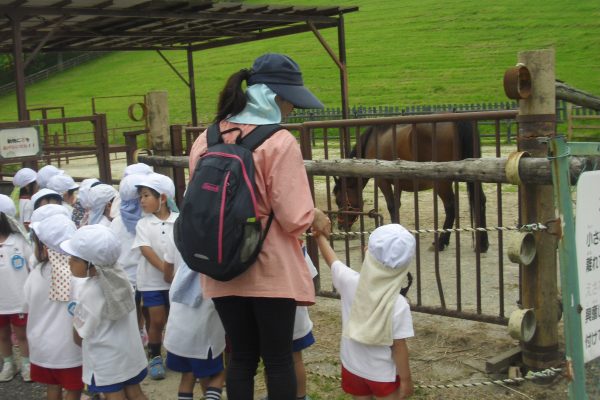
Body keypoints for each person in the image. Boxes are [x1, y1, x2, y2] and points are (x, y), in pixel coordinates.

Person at [187, 53, 326, 399]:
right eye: (290, 100)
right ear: (275, 97)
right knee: (278, 359)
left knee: (241, 357)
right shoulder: (278, 141)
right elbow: (295, 218)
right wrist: (317, 216)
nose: (291, 108)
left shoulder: (207, 138)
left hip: (221, 264)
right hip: (270, 271)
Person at [312, 215, 416, 400]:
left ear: (367, 251)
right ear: (405, 265)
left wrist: (320, 236)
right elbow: (399, 346)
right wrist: (406, 380)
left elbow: (332, 261)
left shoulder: (351, 282)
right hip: (382, 372)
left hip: (352, 366)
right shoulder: (398, 304)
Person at [61, 225, 148, 400]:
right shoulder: (120, 277)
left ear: (92, 264)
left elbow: (80, 333)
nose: (69, 261)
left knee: (113, 395)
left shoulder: (89, 291)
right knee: (135, 392)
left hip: (106, 359)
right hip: (130, 353)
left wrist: (77, 334)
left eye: (75, 258)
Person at [24, 208, 84, 399]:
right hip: (71, 349)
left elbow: (26, 304)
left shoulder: (36, 274)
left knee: (52, 388)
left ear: (43, 246)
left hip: (42, 345)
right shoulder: (80, 274)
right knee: (73, 390)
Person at [132, 172, 179, 380]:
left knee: (174, 319)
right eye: (140, 196)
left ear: (162, 198)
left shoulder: (179, 221)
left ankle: (177, 354)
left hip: (175, 281)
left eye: (146, 196)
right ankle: (154, 356)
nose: (141, 201)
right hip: (151, 282)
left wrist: (173, 274)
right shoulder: (143, 224)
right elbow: (145, 250)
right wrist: (165, 270)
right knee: (157, 319)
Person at [163, 247, 226, 400]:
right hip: (203, 342)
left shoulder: (183, 270)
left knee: (187, 376)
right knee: (219, 374)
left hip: (178, 340)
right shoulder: (214, 274)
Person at [110, 173, 148, 346]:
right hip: (141, 275)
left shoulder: (117, 222)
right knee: (142, 308)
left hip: (128, 275)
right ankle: (141, 333)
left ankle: (138, 334)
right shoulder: (147, 220)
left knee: (136, 309)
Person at [0, 194, 32, 382]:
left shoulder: (19, 241)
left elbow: (32, 265)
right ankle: (9, 363)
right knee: (2, 335)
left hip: (19, 300)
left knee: (22, 335)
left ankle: (27, 364)